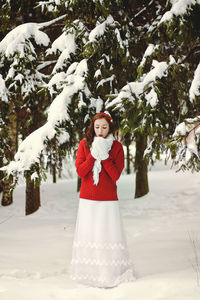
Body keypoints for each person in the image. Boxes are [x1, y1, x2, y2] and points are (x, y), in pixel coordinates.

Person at [69, 112, 135, 288]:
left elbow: (115, 175)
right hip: (88, 199)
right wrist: (93, 155)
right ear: (92, 127)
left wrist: (104, 157)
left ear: (110, 128)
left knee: (106, 234)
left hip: (108, 200)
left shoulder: (117, 147)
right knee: (90, 234)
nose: (100, 130)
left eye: (104, 127)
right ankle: (90, 273)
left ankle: (109, 273)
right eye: (97, 127)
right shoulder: (84, 144)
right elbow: (81, 172)